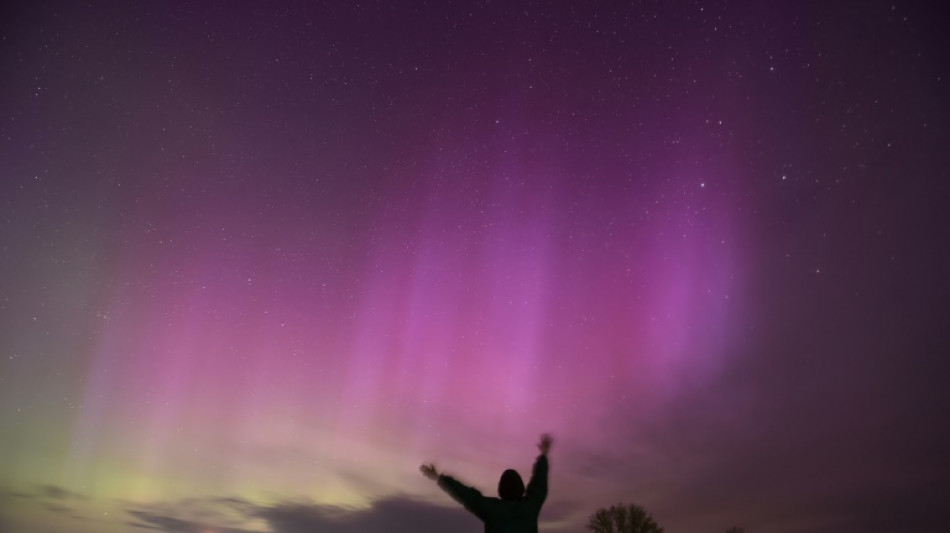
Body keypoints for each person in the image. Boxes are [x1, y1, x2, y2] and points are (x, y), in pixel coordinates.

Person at [420, 433, 552, 533]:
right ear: (521, 488)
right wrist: (544, 455)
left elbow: (466, 495)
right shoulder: (530, 507)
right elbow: (538, 483)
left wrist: (439, 478)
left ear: (501, 489)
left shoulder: (492, 509)